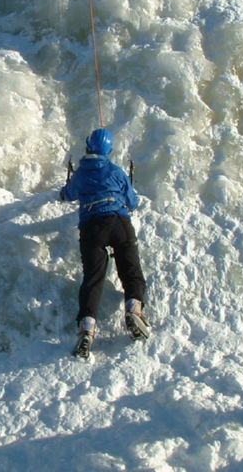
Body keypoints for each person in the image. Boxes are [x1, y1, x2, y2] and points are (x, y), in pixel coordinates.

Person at [60, 128, 149, 359]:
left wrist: (64, 192)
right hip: (119, 222)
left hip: (92, 227)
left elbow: (68, 194)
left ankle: (87, 329)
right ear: (108, 151)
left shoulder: (80, 174)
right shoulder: (116, 171)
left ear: (88, 146)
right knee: (131, 271)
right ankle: (134, 310)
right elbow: (133, 201)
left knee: (93, 279)